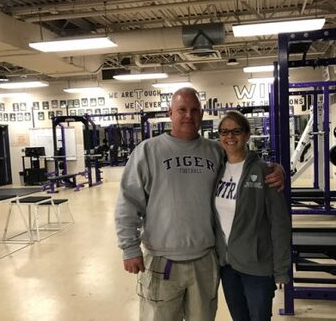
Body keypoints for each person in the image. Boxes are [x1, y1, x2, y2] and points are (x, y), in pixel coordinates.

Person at [114, 88, 285, 321]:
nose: (188, 115)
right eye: (182, 110)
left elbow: (242, 164)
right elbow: (127, 201)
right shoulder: (148, 151)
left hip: (205, 261)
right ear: (170, 113)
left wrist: (276, 169)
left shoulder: (214, 151)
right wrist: (129, 248)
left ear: (202, 114)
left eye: (194, 110)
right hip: (163, 261)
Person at [214, 111, 291, 321]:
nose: (230, 136)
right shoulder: (216, 170)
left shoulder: (265, 171)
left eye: (236, 131)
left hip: (257, 267)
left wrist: (282, 269)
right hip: (227, 266)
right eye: (224, 131)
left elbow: (280, 224)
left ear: (247, 135)